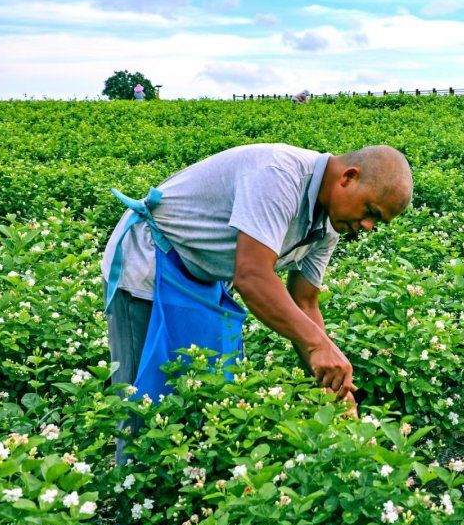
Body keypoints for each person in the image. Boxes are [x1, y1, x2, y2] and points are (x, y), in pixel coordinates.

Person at [101, 144, 413, 418]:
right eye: (370, 211)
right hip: (149, 262)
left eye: (378, 222)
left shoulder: (332, 223)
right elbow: (252, 276)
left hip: (204, 276)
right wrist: (319, 344)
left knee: (199, 394)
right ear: (348, 177)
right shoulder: (278, 175)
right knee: (141, 398)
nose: (368, 226)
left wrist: (334, 388)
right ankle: (130, 479)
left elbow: (304, 302)